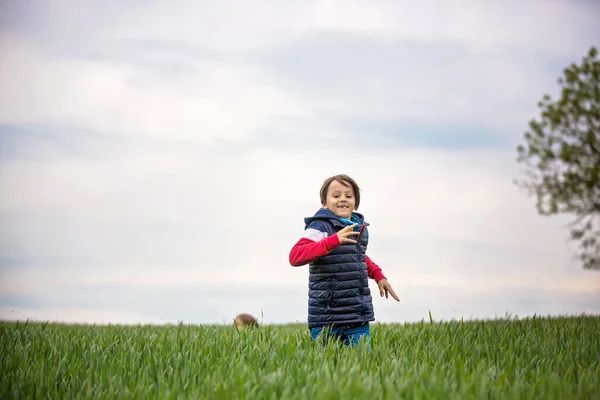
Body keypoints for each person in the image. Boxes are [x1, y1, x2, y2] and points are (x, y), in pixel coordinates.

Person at [288, 174, 399, 348]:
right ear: (324, 202)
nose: (343, 199)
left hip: (357, 316)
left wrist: (378, 275)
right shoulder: (320, 226)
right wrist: (333, 240)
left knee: (362, 365)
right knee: (326, 368)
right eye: (336, 195)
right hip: (326, 316)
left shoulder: (358, 228)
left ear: (355, 202)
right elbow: (295, 256)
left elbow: (357, 256)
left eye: (348, 196)